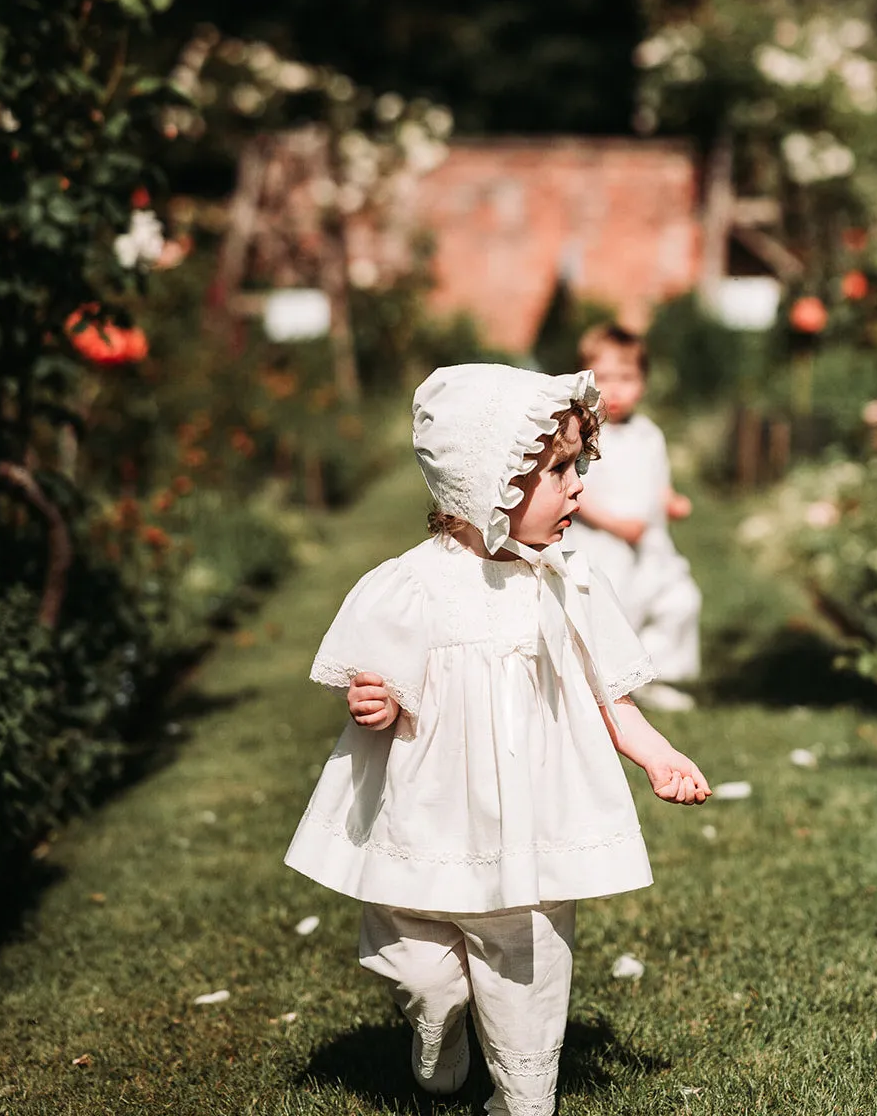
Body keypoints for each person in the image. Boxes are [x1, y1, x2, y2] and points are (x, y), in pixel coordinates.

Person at [285, 363, 711, 1116]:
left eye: (579, 464)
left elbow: (606, 690)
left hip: (531, 824)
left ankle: (524, 1098)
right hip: (427, 813)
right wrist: (374, 701)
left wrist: (657, 754)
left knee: (527, 969)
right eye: (556, 469)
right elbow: (374, 680)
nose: (579, 484)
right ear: (488, 486)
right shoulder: (412, 586)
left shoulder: (566, 583)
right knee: (421, 968)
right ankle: (438, 1026)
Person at [569, 323, 702, 712]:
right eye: (604, 378)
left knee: (679, 600)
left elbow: (655, 479)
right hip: (602, 543)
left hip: (649, 545)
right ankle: (606, 686)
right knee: (614, 614)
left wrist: (671, 500)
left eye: (627, 378)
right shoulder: (582, 433)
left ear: (643, 380)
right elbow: (574, 490)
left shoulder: (648, 434)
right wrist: (613, 524)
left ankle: (653, 675)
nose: (616, 389)